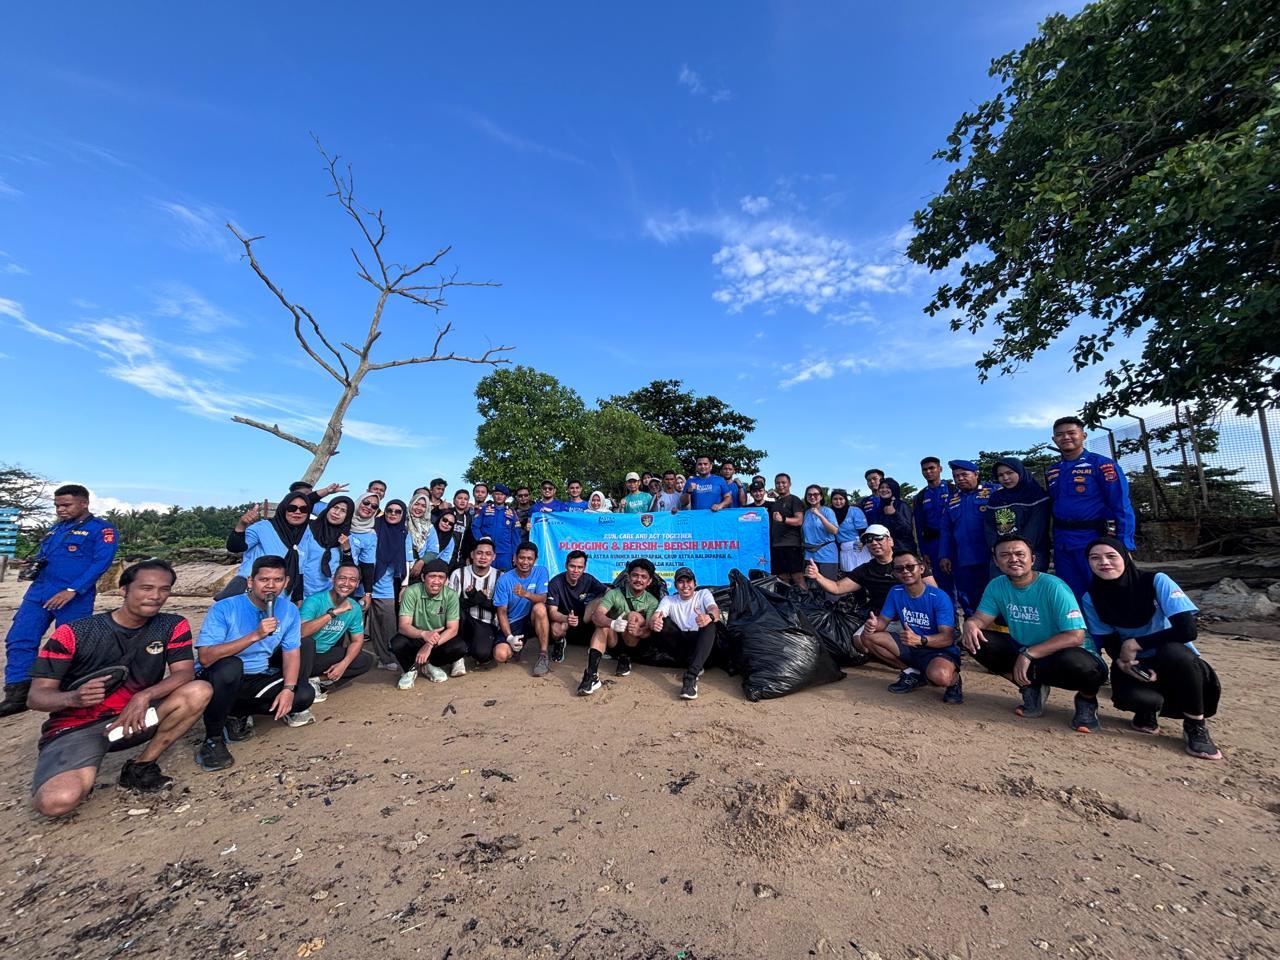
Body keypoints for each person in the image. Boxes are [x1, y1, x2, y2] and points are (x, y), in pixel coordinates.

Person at [26, 560, 212, 815]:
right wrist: (73, 698)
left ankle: (141, 765)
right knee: (57, 802)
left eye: (164, 589)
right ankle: (72, 768)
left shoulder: (171, 625)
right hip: (80, 726)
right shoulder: (74, 632)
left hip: (137, 717)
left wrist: (144, 695)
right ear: (123, 589)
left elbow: (185, 673)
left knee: (199, 690)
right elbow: (36, 697)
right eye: (145, 588)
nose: (155, 596)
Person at [1082, 537, 1222, 759]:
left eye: (1111, 556)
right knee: (1134, 695)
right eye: (1095, 558)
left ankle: (1195, 725)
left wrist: (1136, 643)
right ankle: (1146, 711)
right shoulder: (1092, 598)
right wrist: (1124, 662)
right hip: (1137, 662)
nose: (1104, 563)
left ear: (1126, 558)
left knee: (1175, 653)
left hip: (1174, 661)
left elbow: (1186, 630)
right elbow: (1109, 641)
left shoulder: (1156, 581)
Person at [962, 534, 1107, 732]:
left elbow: (1075, 636)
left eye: (1020, 554)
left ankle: (1086, 701)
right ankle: (1030, 686)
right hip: (1027, 651)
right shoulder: (997, 585)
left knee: (1080, 665)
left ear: (1032, 558)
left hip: (1067, 652)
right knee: (974, 640)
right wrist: (971, 623)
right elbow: (982, 618)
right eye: (1005, 555)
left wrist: (1029, 653)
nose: (1013, 559)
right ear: (996, 560)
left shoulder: (1054, 587)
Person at [1, 484, 119, 717]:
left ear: (84, 503)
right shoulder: (55, 530)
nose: (60, 510)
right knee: (19, 638)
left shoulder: (101, 529)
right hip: (39, 592)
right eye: (57, 506)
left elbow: (101, 563)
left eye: (66, 505)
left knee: (70, 643)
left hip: (73, 597)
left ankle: (67, 690)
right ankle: (17, 693)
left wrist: (73, 590)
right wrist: (31, 563)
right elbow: (45, 557)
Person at [194, 556, 317, 771]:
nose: (271, 585)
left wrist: (289, 688)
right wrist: (255, 635)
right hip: (219, 677)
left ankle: (236, 714)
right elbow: (205, 657)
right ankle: (213, 739)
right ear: (251, 581)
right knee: (231, 666)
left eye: (277, 580)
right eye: (264, 579)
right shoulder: (225, 608)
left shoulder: (288, 610)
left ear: (286, 582)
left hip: (256, 676)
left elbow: (291, 652)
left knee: (304, 694)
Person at [1046, 416, 1136, 598]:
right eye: (1060, 435)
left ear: (1083, 435)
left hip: (1093, 538)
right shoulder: (1053, 470)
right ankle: (1079, 627)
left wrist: (1124, 543)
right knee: (1069, 591)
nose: (1066, 438)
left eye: (1071, 433)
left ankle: (1108, 626)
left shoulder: (1102, 465)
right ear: (1054, 439)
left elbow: (1121, 505)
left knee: (1102, 589)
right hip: (1063, 541)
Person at [862, 549, 963, 703]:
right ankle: (913, 673)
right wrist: (873, 625)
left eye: (910, 567)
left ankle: (954, 681)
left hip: (937, 649)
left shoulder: (938, 597)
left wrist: (920, 640)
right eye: (899, 569)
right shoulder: (895, 592)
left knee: (940, 677)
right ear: (895, 573)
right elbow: (883, 621)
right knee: (868, 637)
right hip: (911, 645)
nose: (905, 571)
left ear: (921, 568)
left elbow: (947, 638)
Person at [579, 558, 658, 695]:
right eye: (635, 575)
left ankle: (626, 657)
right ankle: (591, 674)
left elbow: (649, 631)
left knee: (634, 615)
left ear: (649, 581)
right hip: (614, 640)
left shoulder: (652, 601)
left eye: (643, 577)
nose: (639, 580)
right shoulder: (614, 594)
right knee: (601, 625)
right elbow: (597, 615)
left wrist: (639, 631)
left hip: (633, 643)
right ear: (628, 576)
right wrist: (612, 623)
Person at [217, 491, 313, 602]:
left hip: (280, 597)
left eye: (304, 509)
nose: (297, 512)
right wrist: (242, 525)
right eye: (292, 508)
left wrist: (297, 596)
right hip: (250, 593)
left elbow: (299, 568)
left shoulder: (306, 534)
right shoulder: (262, 527)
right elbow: (235, 547)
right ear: (283, 508)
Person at [298, 562, 375, 700]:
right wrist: (334, 613)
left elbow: (357, 640)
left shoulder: (355, 607)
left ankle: (317, 682)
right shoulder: (314, 601)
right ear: (334, 579)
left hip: (322, 656)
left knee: (365, 659)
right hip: (300, 657)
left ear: (357, 584)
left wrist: (343, 664)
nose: (346, 583)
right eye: (342, 578)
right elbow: (301, 633)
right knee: (307, 643)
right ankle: (300, 686)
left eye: (352, 580)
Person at [352, 498, 411, 671]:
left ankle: (385, 658)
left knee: (386, 624)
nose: (393, 514)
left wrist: (404, 586)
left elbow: (407, 561)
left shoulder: (404, 533)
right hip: (362, 583)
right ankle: (348, 658)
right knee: (353, 622)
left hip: (385, 586)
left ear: (403, 514)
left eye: (398, 511)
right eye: (389, 510)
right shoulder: (372, 527)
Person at [649, 567, 721, 700]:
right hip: (681, 649)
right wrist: (655, 622)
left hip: (703, 647)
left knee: (710, 624)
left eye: (689, 581)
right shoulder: (669, 600)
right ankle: (692, 665)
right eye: (681, 582)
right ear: (676, 585)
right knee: (663, 624)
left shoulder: (703, 594)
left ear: (695, 584)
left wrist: (708, 616)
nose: (685, 586)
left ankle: (691, 677)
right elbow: (657, 614)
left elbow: (714, 610)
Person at [391, 559, 466, 688]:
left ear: (446, 580)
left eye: (441, 577)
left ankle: (430, 665)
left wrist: (430, 644)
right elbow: (403, 626)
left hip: (437, 639)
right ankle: (411, 669)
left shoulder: (451, 595)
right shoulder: (411, 592)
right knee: (397, 643)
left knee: (459, 647)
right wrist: (424, 634)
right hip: (417, 635)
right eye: (432, 576)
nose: (436, 581)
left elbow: (453, 629)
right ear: (423, 577)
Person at [939, 460, 997, 616]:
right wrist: (944, 555)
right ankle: (973, 633)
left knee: (993, 596)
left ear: (976, 474)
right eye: (956, 476)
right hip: (963, 559)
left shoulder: (993, 492)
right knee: (967, 598)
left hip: (990, 557)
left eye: (964, 474)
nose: (960, 479)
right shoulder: (951, 500)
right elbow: (946, 530)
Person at [494, 543, 552, 676]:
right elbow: (501, 612)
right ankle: (516, 646)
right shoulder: (504, 579)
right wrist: (509, 637)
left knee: (540, 608)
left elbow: (543, 598)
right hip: (513, 621)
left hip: (532, 619)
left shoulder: (541, 571)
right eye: (521, 558)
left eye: (529, 558)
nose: (525, 562)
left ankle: (543, 655)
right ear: (514, 558)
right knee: (500, 655)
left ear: (535, 560)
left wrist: (526, 594)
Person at [984, 457, 1051, 572]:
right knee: (1001, 587)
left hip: (1030, 554)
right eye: (1000, 475)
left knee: (1029, 587)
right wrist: (997, 549)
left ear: (1020, 471)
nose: (1005, 478)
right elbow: (989, 526)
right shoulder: (995, 498)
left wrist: (1017, 551)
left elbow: (1036, 528)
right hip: (1001, 555)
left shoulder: (1036, 495)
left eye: (1010, 473)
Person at [448, 537, 504, 665]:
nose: (483, 557)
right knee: (456, 611)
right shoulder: (458, 573)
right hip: (464, 622)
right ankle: (458, 658)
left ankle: (471, 647)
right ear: (472, 554)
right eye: (479, 553)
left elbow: (499, 607)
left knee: (482, 655)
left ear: (494, 557)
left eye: (488, 554)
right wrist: (476, 599)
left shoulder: (500, 576)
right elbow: (451, 604)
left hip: (487, 623)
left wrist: (476, 598)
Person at [546, 550, 608, 662]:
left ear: (584, 568)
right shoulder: (555, 582)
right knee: (556, 630)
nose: (576, 571)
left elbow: (609, 591)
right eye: (572, 566)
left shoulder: (588, 579)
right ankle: (559, 643)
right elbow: (552, 612)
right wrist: (567, 618)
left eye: (580, 567)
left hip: (585, 617)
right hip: (564, 619)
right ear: (565, 565)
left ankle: (601, 646)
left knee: (604, 600)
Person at [912, 457, 954, 598]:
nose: (928, 472)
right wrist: (924, 552)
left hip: (956, 542)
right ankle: (949, 619)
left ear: (940, 469)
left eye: (932, 468)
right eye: (925, 469)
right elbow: (919, 527)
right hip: (934, 544)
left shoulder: (954, 489)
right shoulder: (920, 496)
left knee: (964, 585)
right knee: (943, 587)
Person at [299, 496, 354, 598]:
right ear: (328, 508)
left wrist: (346, 549)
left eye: (343, 511)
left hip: (329, 595)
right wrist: (326, 492)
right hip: (302, 592)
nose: (336, 513)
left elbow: (349, 569)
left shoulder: (347, 538)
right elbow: (301, 500)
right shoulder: (308, 528)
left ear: (347, 516)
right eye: (335, 507)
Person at [472, 484, 521, 571]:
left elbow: (516, 535)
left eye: (502, 494)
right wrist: (482, 540)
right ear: (493, 495)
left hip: (505, 553)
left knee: (504, 579)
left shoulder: (512, 512)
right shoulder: (484, 509)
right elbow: (475, 527)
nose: (499, 496)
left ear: (506, 496)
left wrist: (515, 553)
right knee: (484, 577)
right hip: (485, 552)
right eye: (497, 494)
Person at [770, 473, 806, 586]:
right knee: (782, 578)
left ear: (789, 484)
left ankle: (807, 603)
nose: (780, 485)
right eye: (777, 483)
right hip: (776, 545)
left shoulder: (794, 500)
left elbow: (799, 521)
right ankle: (788, 603)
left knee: (797, 577)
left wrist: (783, 519)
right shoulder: (776, 503)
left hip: (791, 545)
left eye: (783, 482)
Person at [802, 485, 841, 579]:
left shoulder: (828, 511)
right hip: (810, 555)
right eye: (809, 495)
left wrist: (819, 515)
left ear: (821, 496)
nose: (812, 497)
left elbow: (834, 530)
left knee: (829, 587)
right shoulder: (806, 513)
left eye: (815, 494)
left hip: (827, 554)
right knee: (813, 587)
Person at [868, 478, 915, 552]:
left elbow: (907, 530)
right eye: (882, 487)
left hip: (903, 551)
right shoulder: (879, 508)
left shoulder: (901, 505)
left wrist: (894, 514)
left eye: (887, 487)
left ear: (894, 489)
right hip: (886, 551)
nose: (884, 490)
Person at [830, 488, 869, 575]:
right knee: (849, 576)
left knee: (862, 572)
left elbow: (863, 531)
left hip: (858, 546)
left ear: (845, 500)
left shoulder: (854, 511)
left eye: (841, 499)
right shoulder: (829, 513)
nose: (838, 501)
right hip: (843, 549)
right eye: (835, 499)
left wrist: (860, 545)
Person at [406, 494, 441, 578]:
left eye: (423, 506)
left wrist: (421, 562)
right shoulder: (401, 522)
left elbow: (433, 551)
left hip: (417, 571)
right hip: (399, 568)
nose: (419, 508)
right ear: (411, 504)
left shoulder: (429, 527)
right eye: (416, 504)